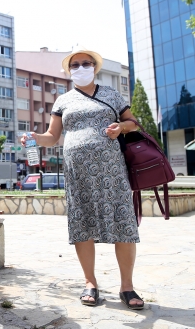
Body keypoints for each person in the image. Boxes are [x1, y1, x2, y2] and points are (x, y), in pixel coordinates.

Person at [21, 46, 145, 311]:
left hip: (112, 172)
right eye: (74, 65)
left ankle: (127, 286)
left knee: (122, 222)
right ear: (69, 71)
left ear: (94, 67)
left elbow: (133, 123)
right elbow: (52, 137)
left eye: (85, 63)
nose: (80, 68)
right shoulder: (62, 101)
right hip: (78, 174)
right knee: (82, 224)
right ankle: (90, 282)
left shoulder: (112, 94)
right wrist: (34, 137)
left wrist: (121, 127)